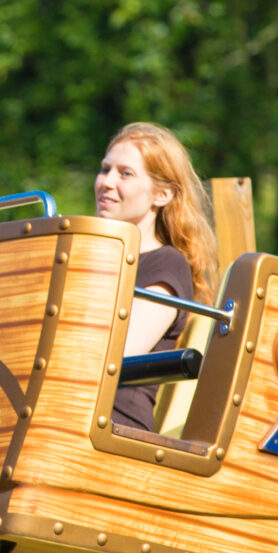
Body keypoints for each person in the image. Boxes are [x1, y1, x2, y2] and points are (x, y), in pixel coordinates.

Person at [94, 122, 220, 435]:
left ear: (162, 194)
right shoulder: (91, 255)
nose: (107, 182)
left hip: (112, 424)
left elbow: (118, 353)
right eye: (105, 169)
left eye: (125, 173)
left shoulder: (166, 265)